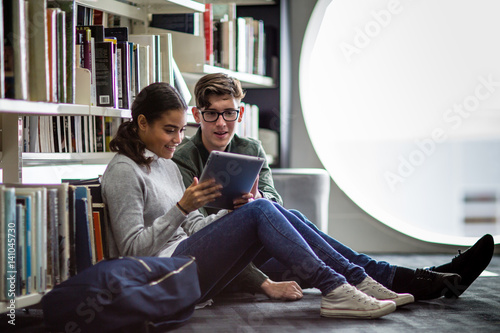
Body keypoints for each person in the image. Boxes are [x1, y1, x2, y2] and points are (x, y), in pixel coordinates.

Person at [101, 82, 414, 320]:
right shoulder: (123, 171)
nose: (178, 139)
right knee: (263, 208)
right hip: (162, 278)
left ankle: (355, 279)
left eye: (181, 130)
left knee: (272, 208)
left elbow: (194, 227)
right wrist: (181, 207)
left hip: (190, 268)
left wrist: (229, 215)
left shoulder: (165, 165)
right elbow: (131, 250)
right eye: (170, 130)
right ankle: (338, 286)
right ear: (142, 123)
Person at [172, 73, 495, 301]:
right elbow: (194, 232)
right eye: (212, 114)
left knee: (314, 245)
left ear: (239, 112)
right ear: (198, 115)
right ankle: (423, 279)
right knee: (315, 251)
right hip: (230, 265)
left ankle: (429, 279)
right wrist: (264, 284)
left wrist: (258, 199)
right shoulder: (185, 158)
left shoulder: (250, 148)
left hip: (261, 250)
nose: (221, 123)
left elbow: (273, 200)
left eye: (229, 113)